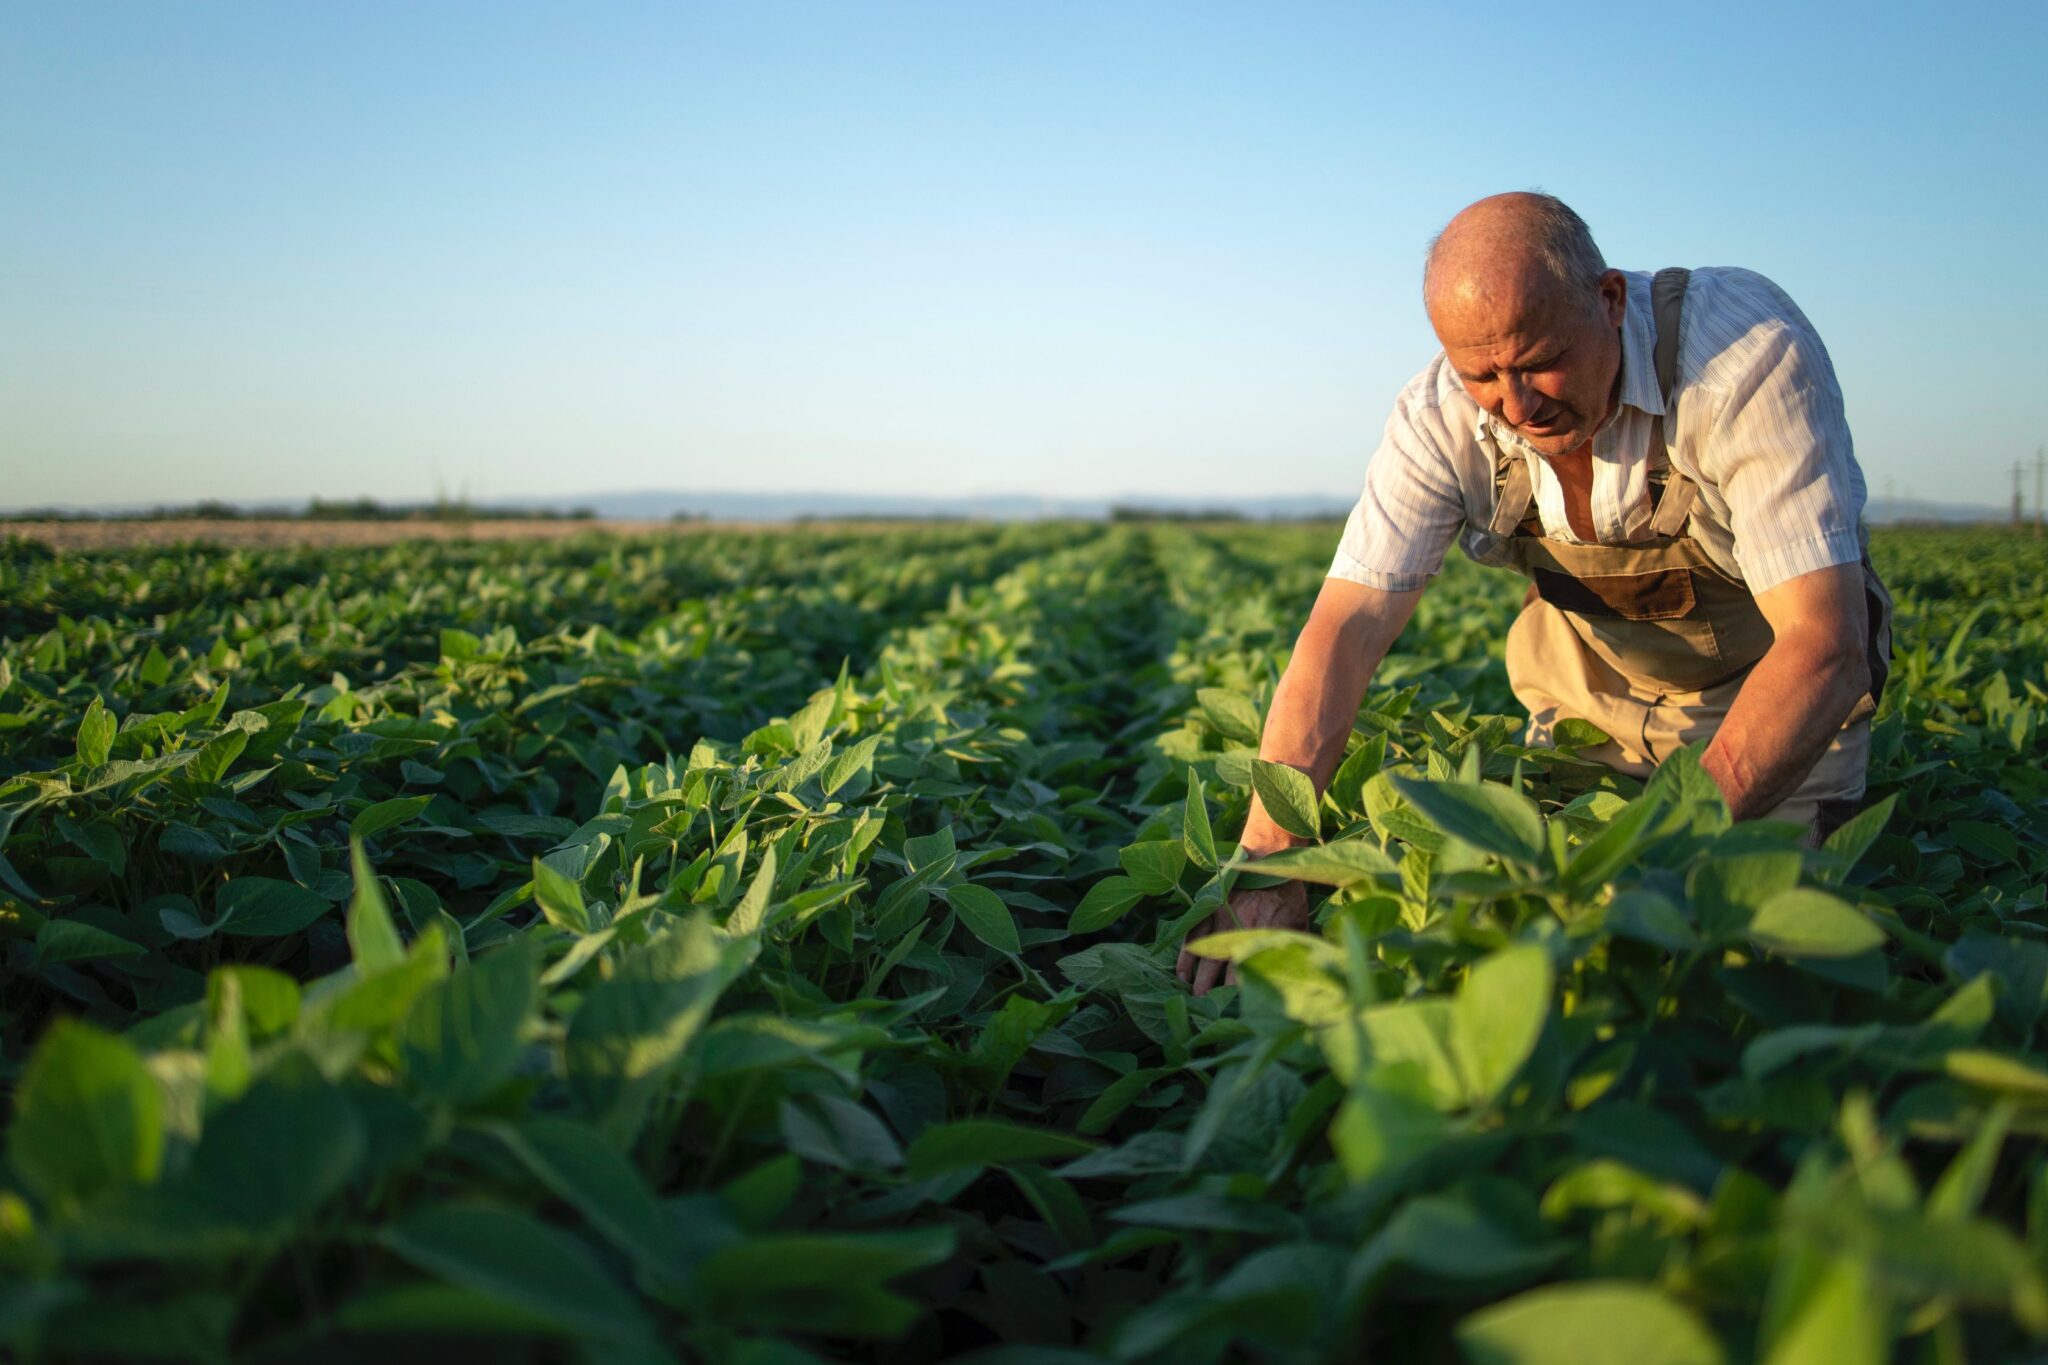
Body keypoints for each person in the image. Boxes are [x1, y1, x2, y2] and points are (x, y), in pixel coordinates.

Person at [1177, 191, 1891, 996]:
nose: (1516, 405)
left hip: (1771, 703)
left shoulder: (1743, 358)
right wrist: (1274, 861)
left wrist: (1650, 858)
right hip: (1588, 695)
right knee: (1525, 952)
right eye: (1482, 373)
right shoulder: (1437, 417)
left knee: (1747, 964)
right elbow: (1346, 630)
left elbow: (1825, 649)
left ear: (1610, 300)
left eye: (1538, 359)